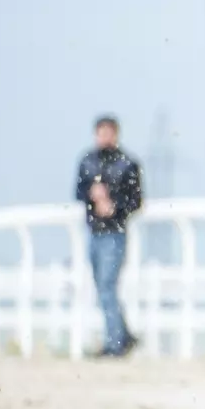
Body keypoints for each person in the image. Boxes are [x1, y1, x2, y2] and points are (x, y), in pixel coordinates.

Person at [75, 115, 143, 358]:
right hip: (94, 232)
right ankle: (124, 336)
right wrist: (93, 196)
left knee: (106, 286)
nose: (103, 137)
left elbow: (136, 200)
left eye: (108, 132)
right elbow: (78, 191)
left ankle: (115, 344)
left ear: (115, 134)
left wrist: (115, 207)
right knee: (102, 286)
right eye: (100, 133)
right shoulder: (87, 162)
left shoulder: (128, 164)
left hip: (115, 233)